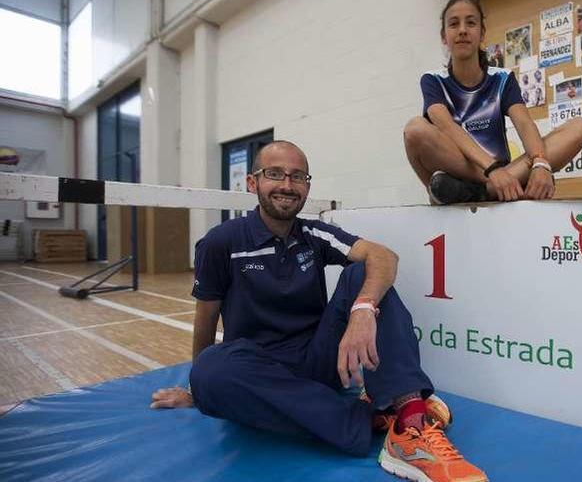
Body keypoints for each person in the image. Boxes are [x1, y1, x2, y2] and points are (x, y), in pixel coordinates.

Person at [150, 141, 488, 482]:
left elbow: (384, 257)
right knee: (210, 372)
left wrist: (362, 309)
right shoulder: (220, 243)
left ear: (307, 187)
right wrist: (197, 390)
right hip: (260, 371)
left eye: (297, 176)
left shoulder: (314, 232)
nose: (286, 184)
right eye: (275, 174)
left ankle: (410, 423)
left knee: (362, 275)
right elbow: (205, 319)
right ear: (252, 183)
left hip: (318, 360)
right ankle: (373, 416)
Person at [404, 0, 582, 204]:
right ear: (444, 36)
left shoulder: (502, 78)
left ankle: (483, 192)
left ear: (482, 33)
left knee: (580, 127)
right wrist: (492, 171)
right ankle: (487, 186)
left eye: (471, 22)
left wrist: (540, 163)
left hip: (504, 173)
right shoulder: (433, 80)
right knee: (415, 130)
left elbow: (524, 124)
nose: (463, 30)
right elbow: (447, 126)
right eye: (454, 24)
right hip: (466, 172)